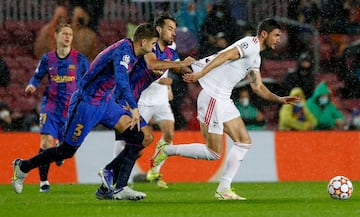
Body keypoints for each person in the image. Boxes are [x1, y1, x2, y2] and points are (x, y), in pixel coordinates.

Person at [149, 18, 300, 200]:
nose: (278, 39)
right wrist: (201, 74)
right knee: (213, 152)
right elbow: (224, 55)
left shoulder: (255, 56)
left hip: (223, 99)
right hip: (213, 96)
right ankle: (166, 151)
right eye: (276, 35)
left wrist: (279, 99)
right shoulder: (250, 44)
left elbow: (257, 87)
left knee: (244, 142)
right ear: (264, 34)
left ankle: (224, 189)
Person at [11, 23, 160, 199]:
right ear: (143, 42)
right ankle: (23, 166)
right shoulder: (124, 52)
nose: (153, 48)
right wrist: (133, 108)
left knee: (138, 136)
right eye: (152, 44)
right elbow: (121, 79)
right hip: (86, 103)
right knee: (66, 151)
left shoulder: (133, 51)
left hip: (105, 102)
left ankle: (118, 184)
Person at [95, 14, 196, 198]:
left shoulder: (170, 54)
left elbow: (183, 69)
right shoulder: (150, 47)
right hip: (120, 98)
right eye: (170, 29)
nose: (174, 33)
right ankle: (112, 174)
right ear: (159, 29)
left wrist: (204, 68)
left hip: (132, 99)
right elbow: (152, 64)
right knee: (142, 138)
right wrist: (181, 63)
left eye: (175, 29)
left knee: (142, 140)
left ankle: (109, 187)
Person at [25, 23, 90, 192]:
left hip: (71, 109)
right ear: (56, 36)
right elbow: (37, 76)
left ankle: (58, 153)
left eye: (70, 34)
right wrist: (32, 85)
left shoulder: (80, 59)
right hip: (51, 106)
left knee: (67, 150)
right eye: (64, 34)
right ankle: (44, 182)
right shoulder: (48, 59)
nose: (68, 36)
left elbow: (89, 80)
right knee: (46, 142)